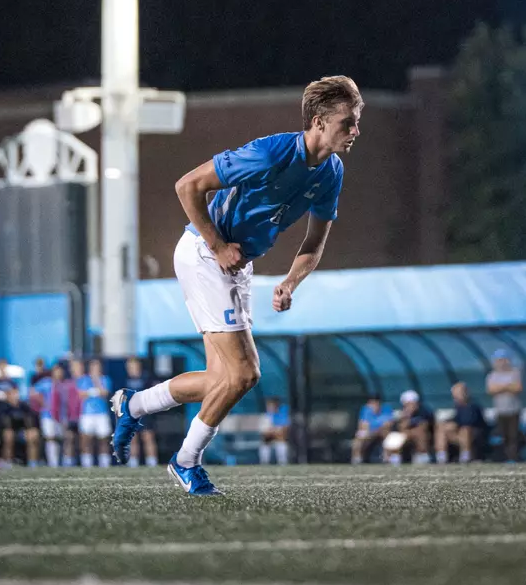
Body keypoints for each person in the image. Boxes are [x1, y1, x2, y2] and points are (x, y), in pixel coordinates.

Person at [111, 75, 363, 496]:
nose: (355, 131)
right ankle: (185, 460)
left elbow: (314, 244)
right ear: (318, 122)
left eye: (357, 122)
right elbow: (187, 186)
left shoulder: (332, 172)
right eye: (347, 123)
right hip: (204, 254)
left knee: (220, 379)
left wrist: (290, 281)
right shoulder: (269, 153)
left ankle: (133, 404)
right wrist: (218, 244)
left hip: (234, 266)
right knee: (245, 373)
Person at [486, 350, 523, 462]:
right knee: (503, 435)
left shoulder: (515, 373)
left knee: (513, 435)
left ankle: (513, 457)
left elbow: (517, 388)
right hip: (500, 411)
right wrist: (507, 386)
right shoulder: (492, 375)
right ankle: (503, 457)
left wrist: (500, 387)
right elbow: (491, 389)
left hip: (514, 410)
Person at [435, 382, 486, 464]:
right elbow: (456, 418)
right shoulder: (458, 407)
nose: (456, 397)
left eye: (458, 394)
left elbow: (469, 421)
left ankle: (465, 457)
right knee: (442, 429)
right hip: (459, 434)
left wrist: (455, 424)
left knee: (465, 430)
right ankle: (441, 457)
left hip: (473, 434)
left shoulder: (473, 406)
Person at [124, 357, 158, 468]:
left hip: (145, 413)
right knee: (133, 438)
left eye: (133, 366)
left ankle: (152, 462)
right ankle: (133, 461)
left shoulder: (147, 378)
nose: (131, 368)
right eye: (129, 367)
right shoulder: (125, 380)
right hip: (132, 414)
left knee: (148, 437)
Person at [78, 359, 112, 468]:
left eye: (98, 367)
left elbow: (105, 393)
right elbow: (81, 394)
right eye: (93, 367)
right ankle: (87, 464)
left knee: (103, 440)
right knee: (86, 439)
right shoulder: (83, 380)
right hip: (87, 414)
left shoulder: (105, 379)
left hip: (101, 414)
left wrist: (96, 382)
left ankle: (104, 464)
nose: (95, 370)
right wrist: (95, 392)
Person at [0, 384, 41, 467]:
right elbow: (2, 423)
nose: (15, 396)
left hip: (22, 431)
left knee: (33, 434)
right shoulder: (3, 406)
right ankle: (7, 461)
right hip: (7, 431)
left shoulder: (23, 406)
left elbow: (30, 420)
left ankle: (32, 463)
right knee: (9, 435)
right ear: (8, 395)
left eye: (16, 393)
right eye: (12, 394)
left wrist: (30, 429)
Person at [37, 362, 68, 468]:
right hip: (47, 415)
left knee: (61, 438)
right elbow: (33, 393)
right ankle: (52, 462)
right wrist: (43, 403)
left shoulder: (64, 385)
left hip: (61, 415)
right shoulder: (45, 383)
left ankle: (63, 461)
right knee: (50, 437)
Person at [391, 389, 434, 464]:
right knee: (397, 435)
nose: (408, 406)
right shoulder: (402, 414)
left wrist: (408, 424)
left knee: (419, 432)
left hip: (424, 435)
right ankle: (394, 457)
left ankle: (423, 455)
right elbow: (398, 427)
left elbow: (424, 425)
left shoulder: (424, 411)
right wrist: (406, 418)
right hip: (406, 435)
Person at [350, 395, 394, 465]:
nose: (374, 405)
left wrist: (375, 431)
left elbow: (388, 425)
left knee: (387, 434)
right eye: (372, 403)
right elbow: (362, 426)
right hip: (369, 433)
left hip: (381, 432)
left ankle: (387, 458)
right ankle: (357, 459)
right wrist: (371, 432)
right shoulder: (365, 410)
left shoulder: (387, 409)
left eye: (376, 403)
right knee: (358, 439)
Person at [61, 358, 85, 467]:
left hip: (84, 415)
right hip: (71, 416)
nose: (75, 369)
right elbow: (64, 402)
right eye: (73, 367)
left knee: (83, 440)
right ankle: (68, 462)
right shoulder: (67, 383)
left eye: (77, 366)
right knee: (69, 438)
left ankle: (84, 462)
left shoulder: (86, 381)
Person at [259, 396, 290, 465]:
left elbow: (284, 430)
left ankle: (283, 462)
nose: (269, 407)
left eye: (271, 405)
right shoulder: (266, 417)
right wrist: (272, 432)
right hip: (269, 438)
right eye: (268, 405)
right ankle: (264, 463)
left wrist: (276, 432)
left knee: (281, 440)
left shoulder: (283, 414)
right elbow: (264, 432)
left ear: (276, 406)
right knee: (265, 440)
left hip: (280, 437)